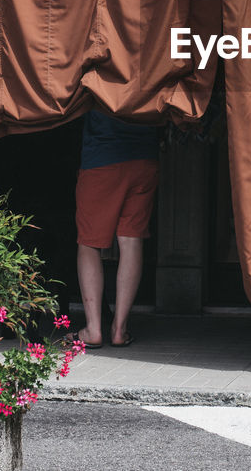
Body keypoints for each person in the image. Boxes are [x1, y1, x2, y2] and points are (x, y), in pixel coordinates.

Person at [73, 109, 160, 348]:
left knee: (89, 242)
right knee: (131, 240)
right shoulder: (152, 68)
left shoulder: (103, 68)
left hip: (102, 157)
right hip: (144, 157)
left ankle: (93, 329)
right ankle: (119, 329)